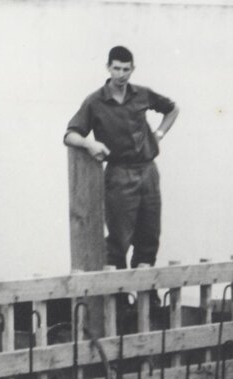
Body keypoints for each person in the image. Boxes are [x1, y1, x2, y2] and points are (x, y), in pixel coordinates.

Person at [63, 46, 178, 269]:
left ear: (132, 69)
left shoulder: (142, 94)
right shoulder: (95, 101)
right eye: (116, 68)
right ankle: (117, 298)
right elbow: (70, 134)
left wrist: (159, 134)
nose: (121, 74)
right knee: (119, 238)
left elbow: (172, 109)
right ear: (108, 68)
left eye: (126, 69)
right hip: (119, 174)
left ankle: (144, 295)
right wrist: (89, 143)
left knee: (149, 236)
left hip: (148, 171)